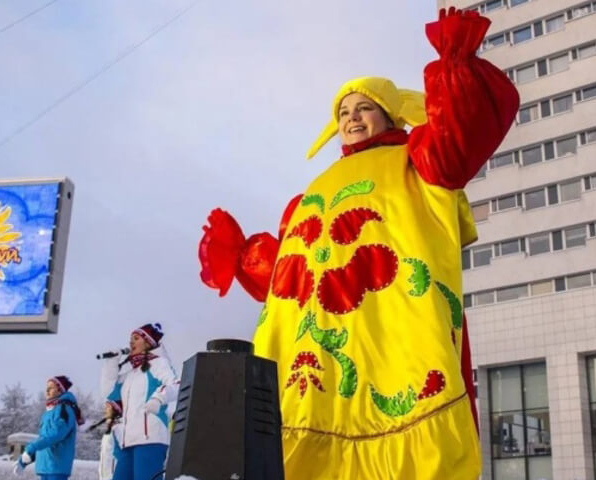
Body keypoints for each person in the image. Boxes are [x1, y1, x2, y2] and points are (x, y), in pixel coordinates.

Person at [198, 8, 518, 480]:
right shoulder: (311, 191)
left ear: (387, 112)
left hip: (392, 332)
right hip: (317, 355)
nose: (352, 118)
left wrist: (455, 67)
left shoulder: (418, 158)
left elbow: (460, 139)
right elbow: (292, 272)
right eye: (343, 112)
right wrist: (243, 255)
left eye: (363, 108)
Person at [102, 323, 179, 480]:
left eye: (136, 338)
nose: (131, 342)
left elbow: (175, 384)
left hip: (150, 438)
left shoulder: (158, 363)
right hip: (127, 441)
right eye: (130, 339)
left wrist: (158, 398)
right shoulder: (131, 373)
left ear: (148, 342)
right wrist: (111, 363)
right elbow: (109, 393)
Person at [14, 375, 81, 479]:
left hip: (56, 468)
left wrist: (31, 448)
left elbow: (55, 435)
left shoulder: (64, 410)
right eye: (47, 387)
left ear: (60, 390)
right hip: (46, 468)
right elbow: (44, 440)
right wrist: (25, 459)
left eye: (51, 387)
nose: (47, 390)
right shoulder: (49, 412)